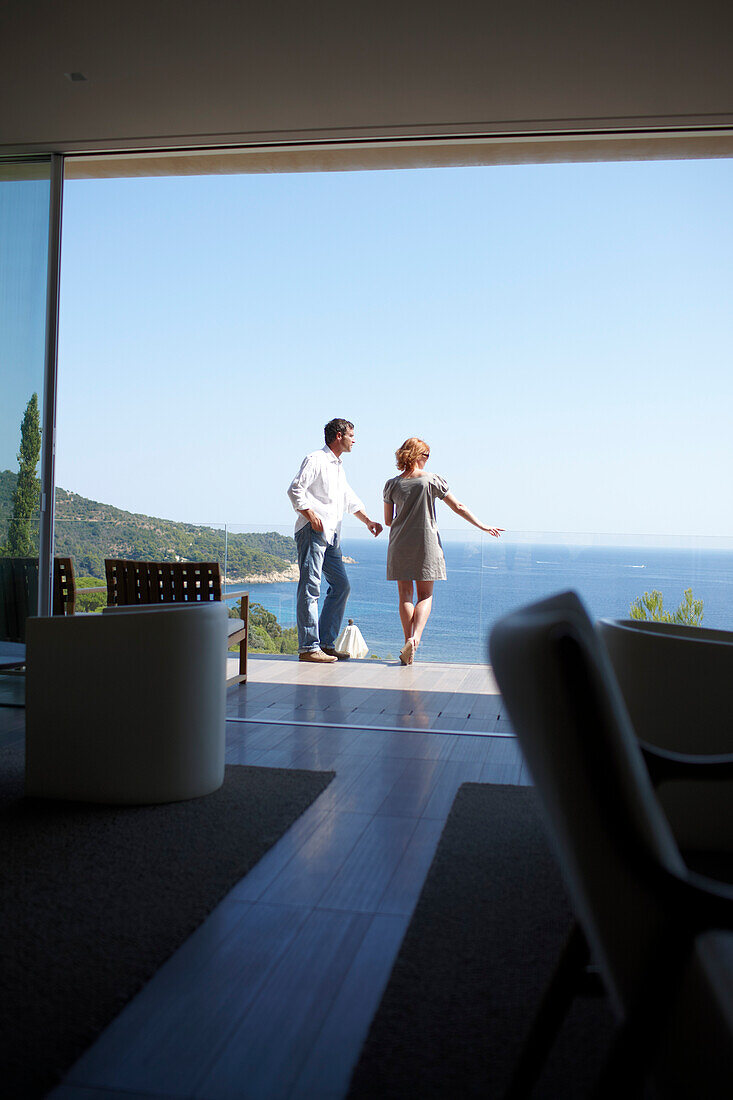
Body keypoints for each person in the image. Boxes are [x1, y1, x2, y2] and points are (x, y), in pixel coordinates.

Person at [383, 437, 503, 665]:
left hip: (399, 542)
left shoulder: (391, 484)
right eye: (426, 455)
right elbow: (458, 506)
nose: (427, 460)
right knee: (425, 595)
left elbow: (388, 520)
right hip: (426, 541)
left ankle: (407, 643)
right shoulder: (432, 481)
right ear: (419, 455)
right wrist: (482, 525)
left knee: (404, 595)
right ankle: (415, 639)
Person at [288, 418, 383, 663]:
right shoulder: (316, 460)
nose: (355, 439)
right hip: (313, 532)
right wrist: (310, 515)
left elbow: (348, 499)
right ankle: (309, 648)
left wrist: (368, 521)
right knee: (310, 588)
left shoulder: (338, 466)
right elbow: (295, 489)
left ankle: (327, 644)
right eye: (352, 435)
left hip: (332, 536)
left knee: (341, 587)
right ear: (339, 436)